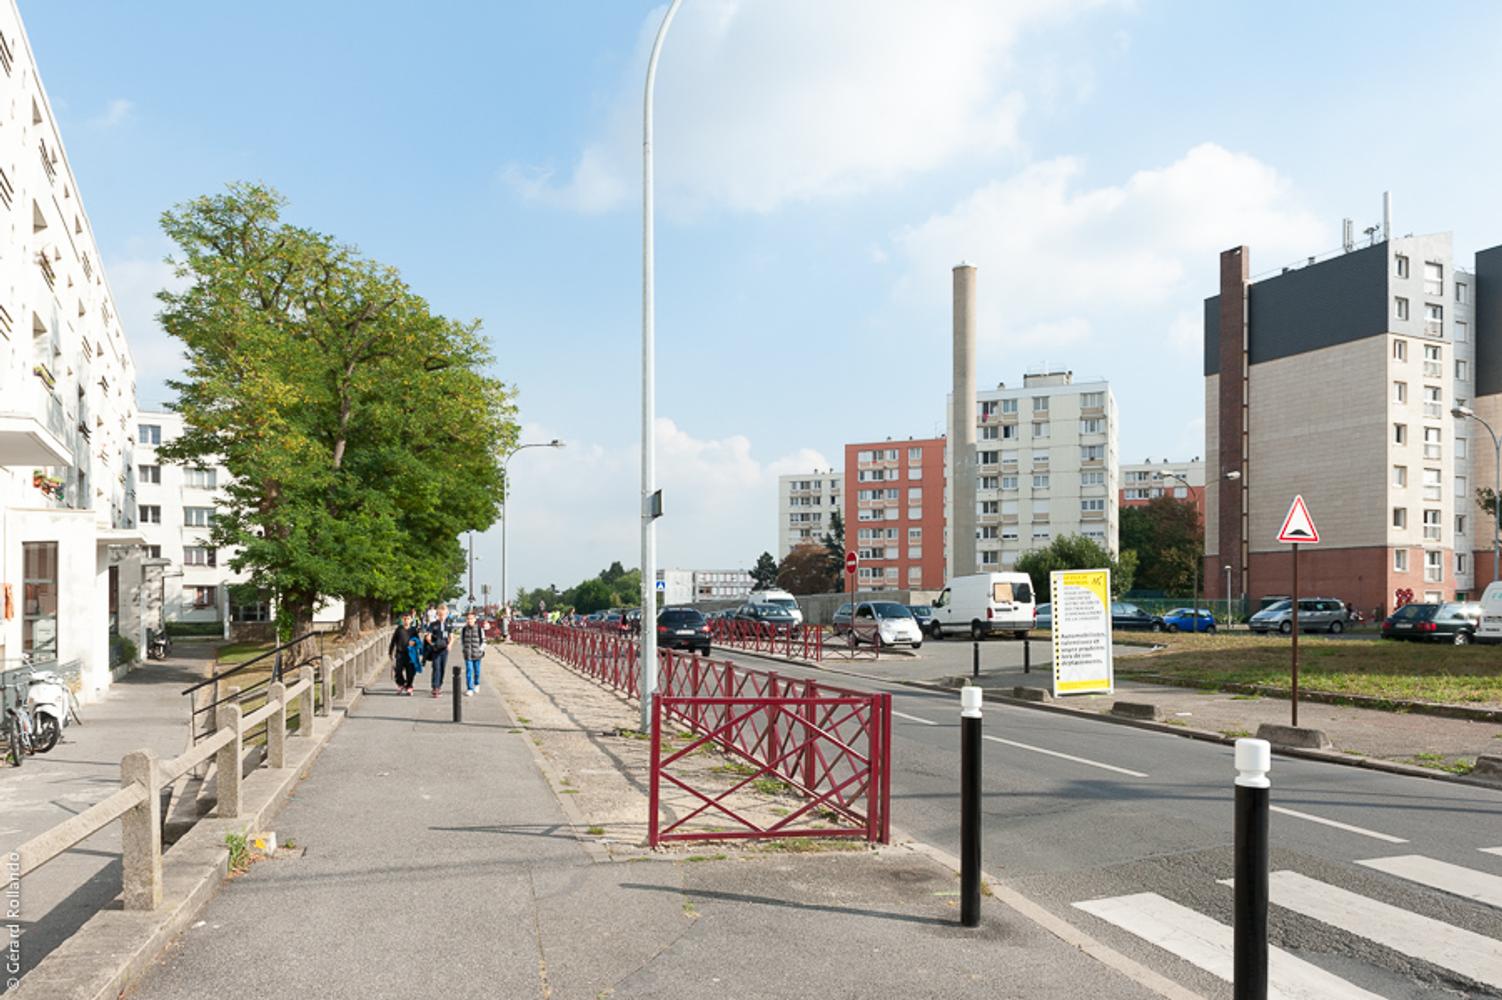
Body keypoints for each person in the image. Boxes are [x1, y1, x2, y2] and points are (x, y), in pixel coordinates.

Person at [426, 603, 456, 698]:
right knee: (436, 667)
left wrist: (450, 645)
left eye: (443, 614)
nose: (442, 616)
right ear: (437, 615)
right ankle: (435, 687)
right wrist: (432, 644)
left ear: (446, 614)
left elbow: (451, 637)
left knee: (442, 668)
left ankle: (439, 685)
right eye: (440, 614)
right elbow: (428, 637)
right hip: (436, 649)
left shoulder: (448, 625)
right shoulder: (433, 624)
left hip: (444, 649)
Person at [389, 613, 420, 695]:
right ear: (402, 620)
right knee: (398, 670)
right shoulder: (399, 629)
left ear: (411, 620)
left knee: (411, 672)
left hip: (410, 654)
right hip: (400, 653)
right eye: (404, 619)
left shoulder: (413, 630)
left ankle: (409, 686)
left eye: (408, 619)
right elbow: (393, 641)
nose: (406, 621)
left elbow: (418, 642)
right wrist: (390, 652)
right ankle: (401, 684)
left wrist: (415, 643)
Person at [460, 609, 486, 697]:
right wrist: (463, 649)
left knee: (477, 671)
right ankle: (469, 688)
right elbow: (462, 641)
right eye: (468, 618)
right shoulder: (463, 630)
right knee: (469, 670)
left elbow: (483, 641)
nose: (469, 620)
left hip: (477, 654)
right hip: (468, 654)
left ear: (475, 619)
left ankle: (477, 683)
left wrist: (480, 650)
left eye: (471, 618)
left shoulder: (479, 629)